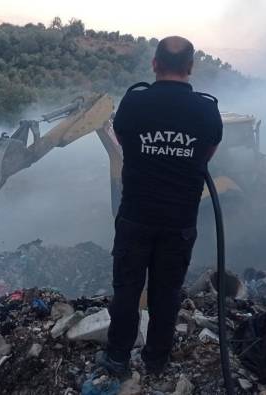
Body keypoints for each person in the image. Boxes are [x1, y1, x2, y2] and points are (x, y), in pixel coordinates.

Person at [96, 36, 223, 376]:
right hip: (179, 221)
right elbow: (206, 154)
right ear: (190, 67)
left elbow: (123, 142)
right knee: (166, 294)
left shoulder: (134, 104)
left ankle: (118, 358)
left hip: (136, 216)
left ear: (154, 64)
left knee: (126, 290)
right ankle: (156, 362)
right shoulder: (208, 110)